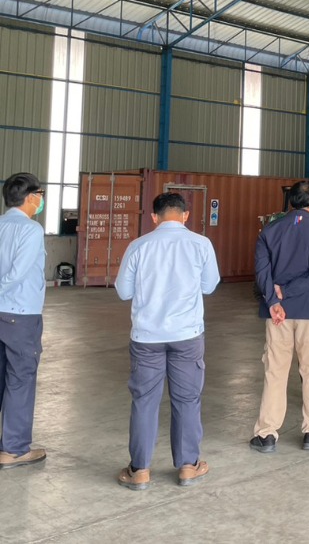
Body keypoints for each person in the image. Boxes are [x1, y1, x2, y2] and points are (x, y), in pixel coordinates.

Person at [114, 193, 221, 490]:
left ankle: (139, 470)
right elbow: (209, 286)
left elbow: (123, 291)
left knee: (144, 401)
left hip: (147, 337)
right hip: (187, 335)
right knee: (187, 399)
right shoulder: (201, 244)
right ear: (185, 215)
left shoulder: (139, 246)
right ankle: (188, 466)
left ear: (154, 217)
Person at [250, 179, 309, 454]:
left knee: (275, 371)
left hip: (277, 313)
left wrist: (274, 299)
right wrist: (286, 292)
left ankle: (266, 434)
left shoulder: (270, 229)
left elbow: (262, 271)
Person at [0, 173, 47, 470]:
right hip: (20, 314)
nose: (41, 201)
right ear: (31, 197)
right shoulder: (31, 230)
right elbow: (17, 273)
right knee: (20, 378)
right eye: (40, 195)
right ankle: (14, 449)